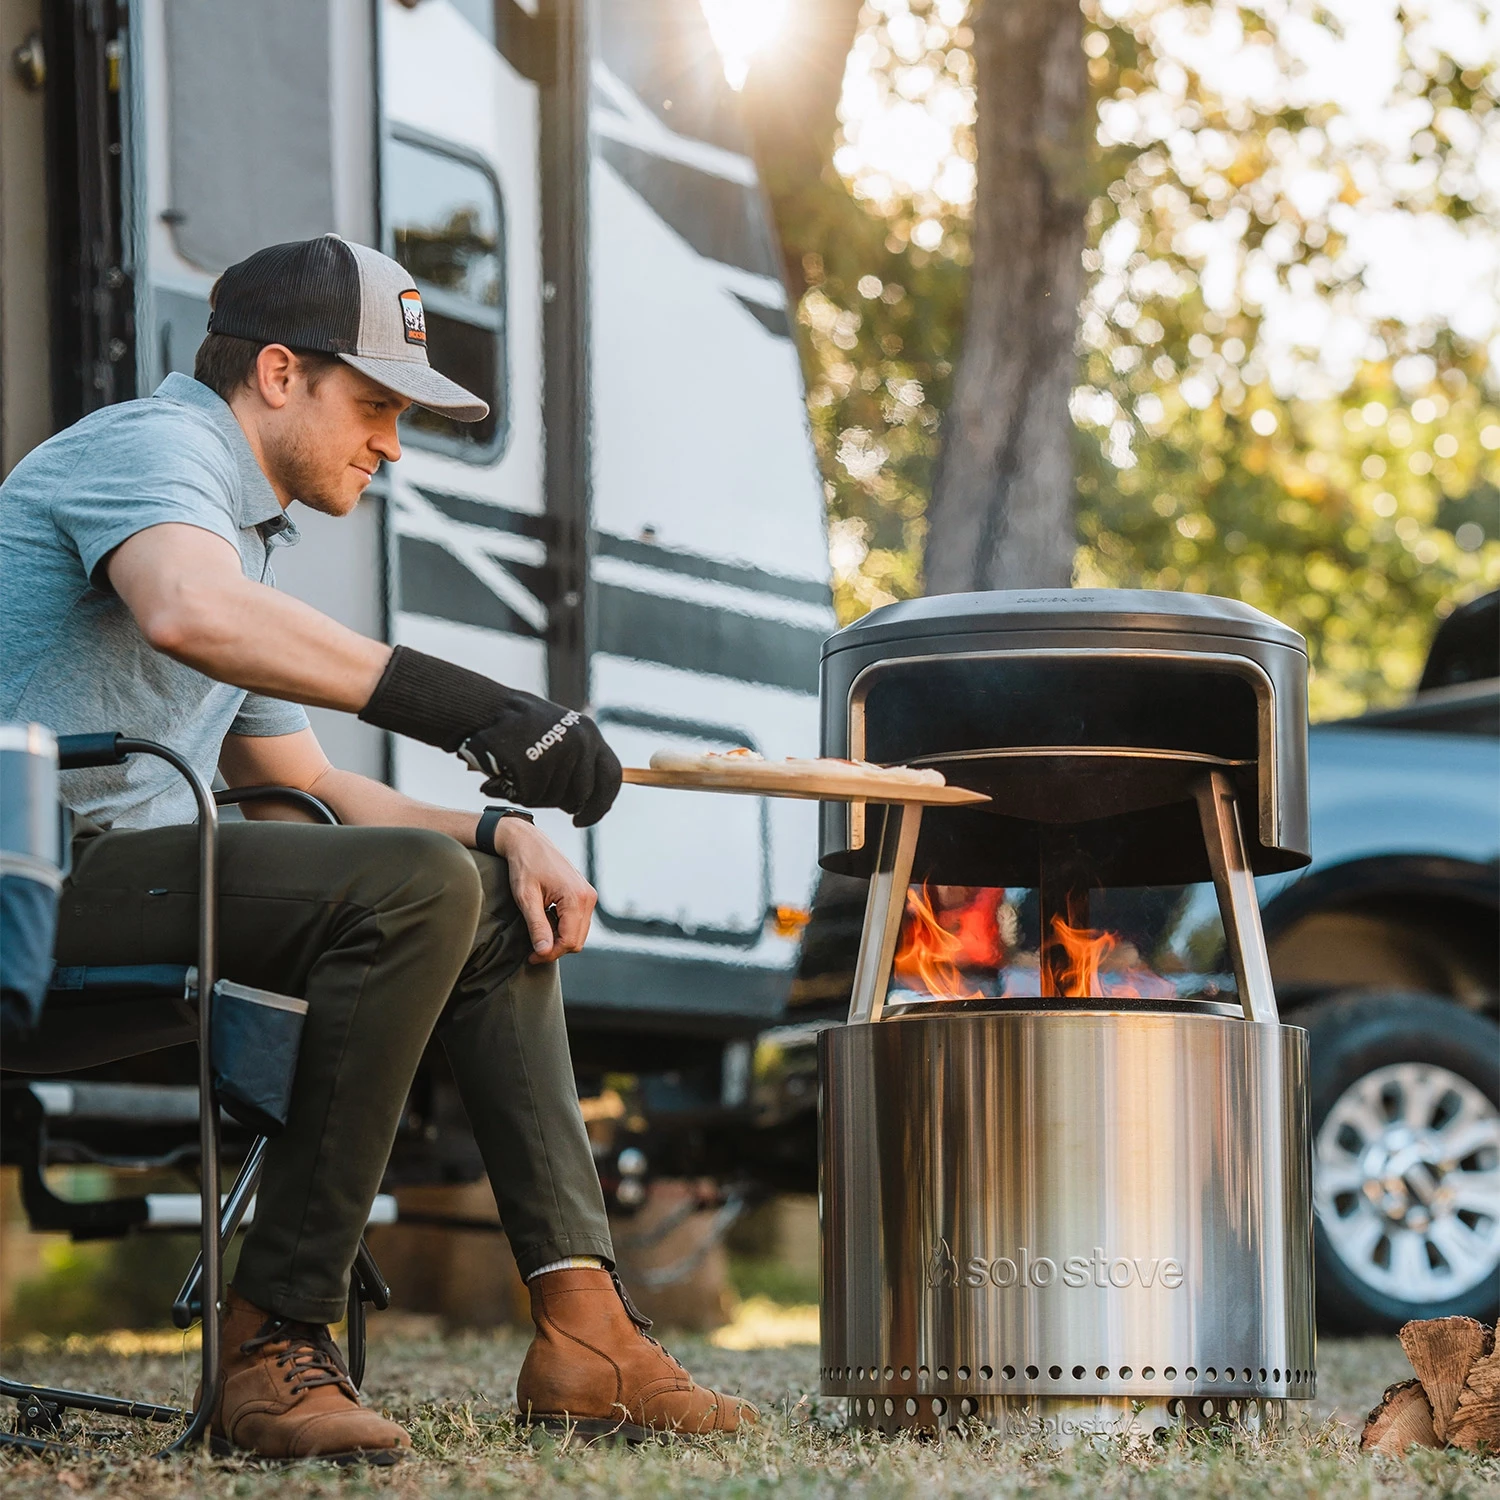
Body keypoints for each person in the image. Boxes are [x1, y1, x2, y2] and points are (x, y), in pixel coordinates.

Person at [0, 234, 756, 1460]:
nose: (393, 445)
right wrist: (472, 707)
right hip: (22, 891)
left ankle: (586, 1330)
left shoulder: (235, 530)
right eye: (378, 405)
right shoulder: (154, 452)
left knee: (488, 896)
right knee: (410, 892)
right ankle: (272, 1339)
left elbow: (300, 784)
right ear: (281, 374)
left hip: (114, 887)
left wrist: (502, 827)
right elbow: (187, 612)